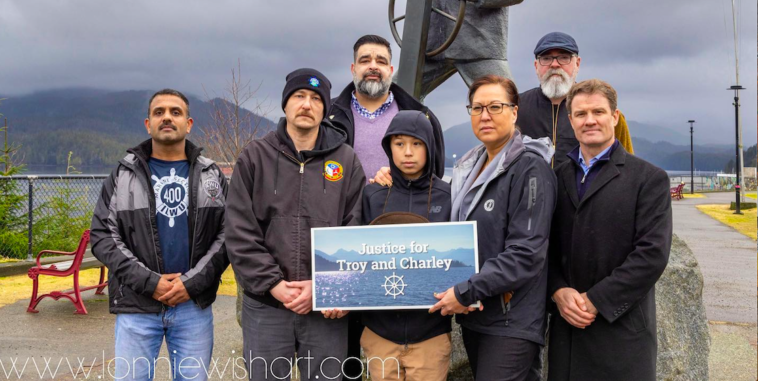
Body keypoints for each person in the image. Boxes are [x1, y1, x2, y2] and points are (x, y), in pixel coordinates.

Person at [226, 68, 366, 381]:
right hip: (266, 306)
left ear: (326, 108)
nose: (307, 104)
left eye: (316, 99)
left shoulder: (346, 161)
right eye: (299, 96)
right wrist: (274, 285)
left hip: (324, 311)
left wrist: (324, 288)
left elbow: (354, 230)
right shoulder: (254, 157)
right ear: (285, 105)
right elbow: (239, 232)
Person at [90, 89, 229, 381]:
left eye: (175, 112)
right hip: (137, 306)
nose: (167, 117)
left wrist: (190, 284)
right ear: (148, 124)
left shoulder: (211, 175)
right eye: (159, 112)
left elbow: (228, 236)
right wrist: (150, 282)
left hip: (193, 307)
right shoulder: (122, 175)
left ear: (189, 124)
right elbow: (103, 236)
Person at [429, 75, 556, 381]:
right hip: (477, 314)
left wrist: (465, 290)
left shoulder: (530, 168)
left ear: (514, 112)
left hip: (512, 320)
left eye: (495, 107)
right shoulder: (469, 168)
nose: (484, 115)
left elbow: (525, 253)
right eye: (477, 108)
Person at [547, 79, 672, 381]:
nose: (590, 120)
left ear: (615, 117)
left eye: (598, 112)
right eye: (581, 114)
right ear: (571, 121)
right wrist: (557, 290)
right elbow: (544, 246)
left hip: (621, 333)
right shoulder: (555, 176)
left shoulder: (648, 179)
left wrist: (595, 300)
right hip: (567, 337)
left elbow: (651, 255)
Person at [360, 110, 453, 381]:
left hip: (430, 335)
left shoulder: (449, 196)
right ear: (388, 147)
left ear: (430, 147)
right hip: (380, 334)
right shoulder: (372, 195)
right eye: (399, 144)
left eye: (417, 144)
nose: (408, 152)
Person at [330, 34, 446, 180]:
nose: (373, 66)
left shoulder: (422, 117)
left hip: (399, 203)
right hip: (344, 203)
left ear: (390, 70)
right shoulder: (327, 115)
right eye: (365, 61)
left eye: (381, 61)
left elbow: (434, 176)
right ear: (353, 69)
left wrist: (400, 179)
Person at [518, 32, 633, 167]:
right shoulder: (516, 108)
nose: (555, 64)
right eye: (546, 58)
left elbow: (627, 166)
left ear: (577, 63)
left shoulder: (605, 114)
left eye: (564, 57)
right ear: (536, 65)